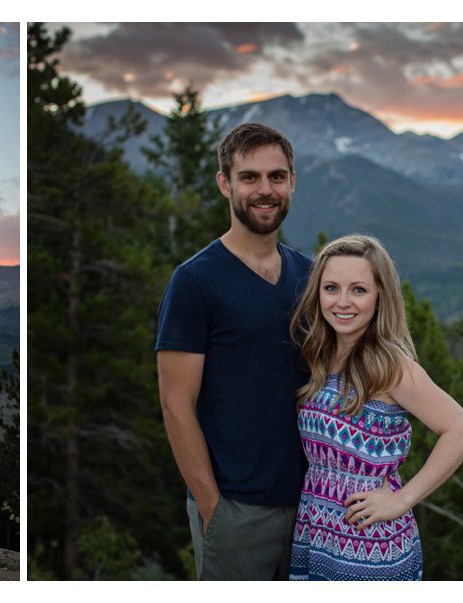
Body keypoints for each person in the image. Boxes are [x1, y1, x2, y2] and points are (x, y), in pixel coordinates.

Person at [156, 123, 313, 580]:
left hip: (314, 507)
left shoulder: (312, 276)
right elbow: (175, 403)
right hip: (237, 511)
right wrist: (212, 506)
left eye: (277, 176)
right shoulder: (195, 281)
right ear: (225, 184)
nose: (265, 190)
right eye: (250, 177)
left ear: (292, 182)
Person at [287, 234, 463, 580]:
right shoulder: (321, 355)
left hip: (368, 543)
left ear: (380, 296)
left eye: (358, 290)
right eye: (331, 288)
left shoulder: (388, 364)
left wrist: (402, 500)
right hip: (318, 531)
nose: (342, 302)